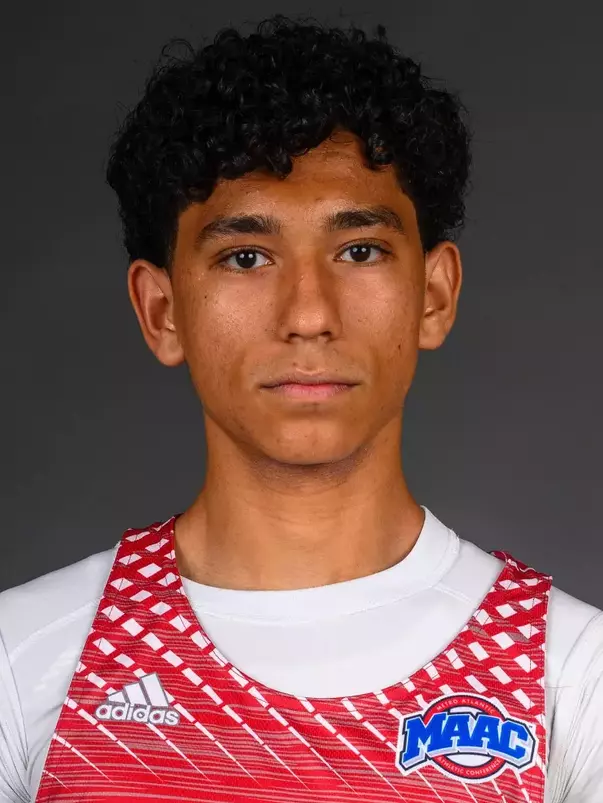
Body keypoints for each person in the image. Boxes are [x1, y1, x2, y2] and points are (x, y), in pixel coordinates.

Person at [1, 13, 601, 803]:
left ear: (433, 293)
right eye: (245, 256)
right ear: (161, 311)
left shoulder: (570, 674)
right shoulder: (24, 661)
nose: (308, 312)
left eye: (359, 250)